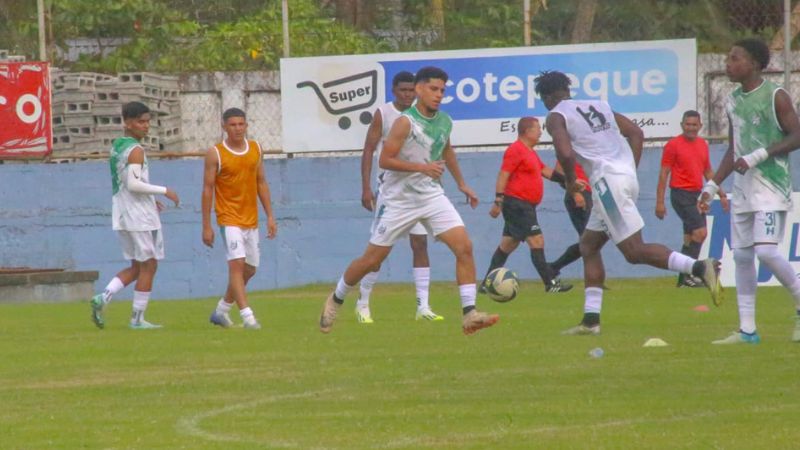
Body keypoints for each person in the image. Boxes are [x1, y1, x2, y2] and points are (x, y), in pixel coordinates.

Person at [535, 70, 722, 335]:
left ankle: (699, 267)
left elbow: (564, 152)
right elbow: (636, 133)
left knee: (633, 251)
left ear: (549, 95)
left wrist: (568, 181)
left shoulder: (556, 115)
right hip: (623, 178)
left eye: (543, 99)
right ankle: (590, 321)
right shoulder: (598, 105)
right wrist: (628, 170)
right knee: (589, 245)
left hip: (606, 184)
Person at [319, 66, 499, 336]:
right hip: (398, 199)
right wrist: (422, 168)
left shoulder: (445, 121)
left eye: (442, 90)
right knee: (372, 260)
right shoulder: (405, 122)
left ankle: (469, 313)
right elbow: (385, 159)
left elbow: (446, 149)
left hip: (430, 194)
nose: (438, 95)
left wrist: (462, 183)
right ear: (418, 90)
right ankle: (336, 298)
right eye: (433, 89)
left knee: (464, 246)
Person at [698, 38, 800, 345]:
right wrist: (712, 185)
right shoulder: (731, 101)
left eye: (735, 58)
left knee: (766, 252)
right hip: (742, 190)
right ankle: (747, 330)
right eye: (728, 58)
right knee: (742, 255)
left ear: (754, 63)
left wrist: (759, 156)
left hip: (771, 186)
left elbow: (797, 135)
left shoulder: (775, 96)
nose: (728, 64)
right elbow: (734, 148)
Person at [357, 71, 442, 323]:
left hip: (417, 190)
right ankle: (363, 303)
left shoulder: (424, 115)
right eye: (402, 90)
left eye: (410, 90)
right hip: (391, 192)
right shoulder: (384, 114)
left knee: (420, 243)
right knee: (379, 251)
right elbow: (369, 149)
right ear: (394, 91)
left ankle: (423, 307)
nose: (406, 94)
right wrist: (365, 187)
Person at [89, 101, 180, 329]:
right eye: (141, 121)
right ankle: (137, 319)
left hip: (122, 212)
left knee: (138, 266)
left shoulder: (118, 145)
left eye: (148, 121)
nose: (146, 126)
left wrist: (151, 199)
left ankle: (104, 297)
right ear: (127, 123)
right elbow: (134, 184)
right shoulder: (136, 150)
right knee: (150, 265)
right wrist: (164, 190)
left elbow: (127, 182)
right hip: (138, 216)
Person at [203, 108, 277, 330]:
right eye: (233, 124)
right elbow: (207, 189)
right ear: (224, 127)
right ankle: (248, 317)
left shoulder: (256, 149)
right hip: (229, 218)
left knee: (250, 269)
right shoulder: (215, 153)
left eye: (241, 124)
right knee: (236, 266)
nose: (237, 128)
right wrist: (207, 225)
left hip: (250, 219)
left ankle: (221, 311)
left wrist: (270, 216)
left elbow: (261, 182)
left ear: (246, 126)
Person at [481, 117, 573, 293]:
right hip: (517, 204)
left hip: (526, 205)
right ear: (527, 131)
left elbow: (546, 171)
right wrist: (498, 201)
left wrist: (570, 181)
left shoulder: (530, 151)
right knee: (536, 240)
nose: (540, 132)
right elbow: (503, 175)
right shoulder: (515, 150)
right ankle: (550, 283)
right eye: (537, 128)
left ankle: (486, 285)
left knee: (508, 244)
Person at [656, 110, 729, 288]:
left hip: (696, 196)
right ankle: (691, 274)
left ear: (700, 126)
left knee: (690, 238)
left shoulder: (703, 144)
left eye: (694, 125)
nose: (691, 128)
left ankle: (683, 280)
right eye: (687, 124)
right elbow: (664, 173)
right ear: (682, 125)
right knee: (701, 232)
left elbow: (708, 172)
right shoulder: (673, 145)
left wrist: (722, 194)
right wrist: (659, 202)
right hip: (680, 194)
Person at [548, 160, 592, 279]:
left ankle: (553, 267)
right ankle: (593, 278)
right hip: (580, 194)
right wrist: (575, 193)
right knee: (589, 240)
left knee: (591, 240)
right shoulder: (570, 148)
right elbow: (558, 172)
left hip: (591, 194)